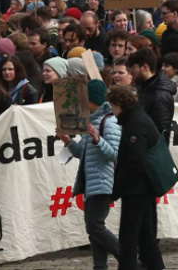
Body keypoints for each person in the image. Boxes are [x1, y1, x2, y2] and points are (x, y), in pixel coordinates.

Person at [59, 79, 122, 270]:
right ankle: (100, 266)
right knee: (93, 228)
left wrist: (97, 140)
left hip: (103, 181)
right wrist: (69, 141)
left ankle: (127, 259)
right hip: (91, 183)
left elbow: (114, 154)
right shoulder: (90, 121)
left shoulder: (109, 122)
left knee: (95, 226)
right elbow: (81, 153)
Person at [107, 84, 166, 270]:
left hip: (137, 189)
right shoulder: (137, 117)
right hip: (142, 187)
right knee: (145, 236)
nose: (112, 111)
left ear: (118, 104)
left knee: (128, 237)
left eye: (112, 106)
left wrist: (117, 189)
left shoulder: (135, 122)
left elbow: (135, 161)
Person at [129, 47, 175, 137]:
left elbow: (161, 131)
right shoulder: (143, 88)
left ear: (145, 67)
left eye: (133, 68)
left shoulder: (160, 95)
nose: (131, 72)